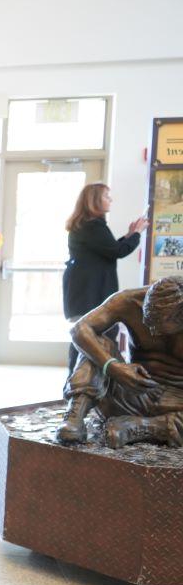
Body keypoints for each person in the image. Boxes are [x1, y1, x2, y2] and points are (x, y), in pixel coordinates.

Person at [57, 275, 183, 447]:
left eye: (159, 327)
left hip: (177, 407)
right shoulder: (129, 300)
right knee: (95, 343)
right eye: (148, 323)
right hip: (132, 394)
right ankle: (74, 418)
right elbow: (80, 328)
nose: (152, 332)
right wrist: (114, 367)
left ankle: (145, 427)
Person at [62, 182, 148, 370]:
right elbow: (117, 251)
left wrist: (129, 235)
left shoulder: (88, 225)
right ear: (94, 201)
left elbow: (106, 249)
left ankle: (81, 383)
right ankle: (78, 384)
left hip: (84, 289)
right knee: (87, 336)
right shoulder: (92, 226)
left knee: (85, 335)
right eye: (106, 196)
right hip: (88, 291)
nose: (111, 200)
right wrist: (136, 234)